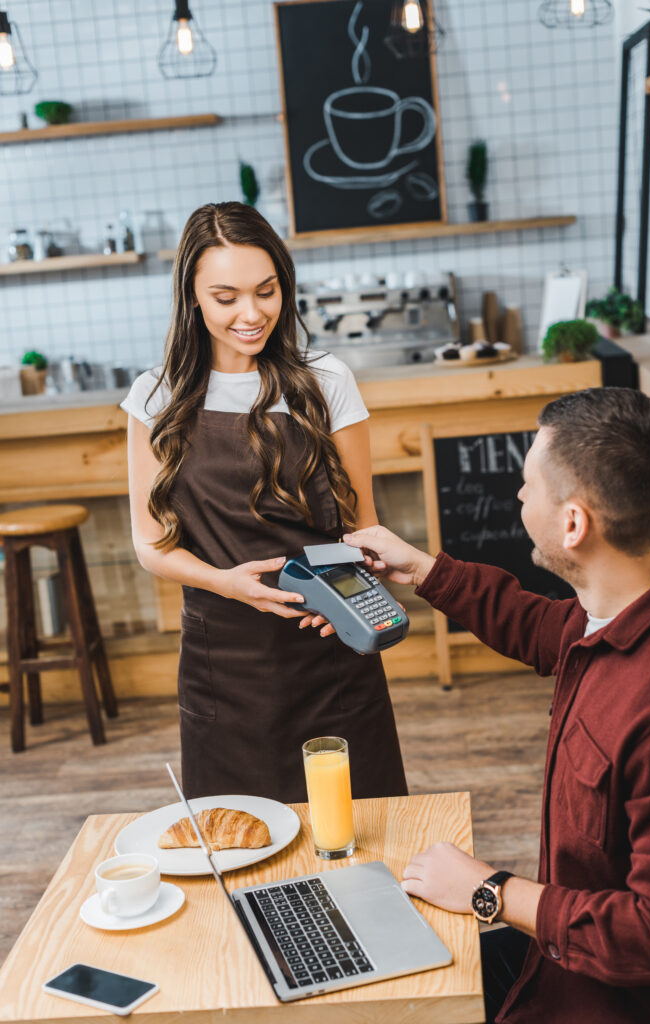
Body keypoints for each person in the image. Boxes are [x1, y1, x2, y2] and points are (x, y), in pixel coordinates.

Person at [344, 387, 650, 1023]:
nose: (519, 497)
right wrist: (422, 568)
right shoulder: (627, 606)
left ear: (574, 523)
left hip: (603, 1002)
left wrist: (488, 890)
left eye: (528, 486)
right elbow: (540, 628)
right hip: (553, 965)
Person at [122, 201, 406, 802]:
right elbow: (151, 545)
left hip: (329, 642)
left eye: (267, 291)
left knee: (358, 833)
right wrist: (229, 583)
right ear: (192, 297)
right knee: (242, 841)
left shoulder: (327, 380)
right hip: (222, 659)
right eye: (226, 298)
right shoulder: (156, 395)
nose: (251, 314)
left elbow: (362, 525)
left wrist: (371, 575)